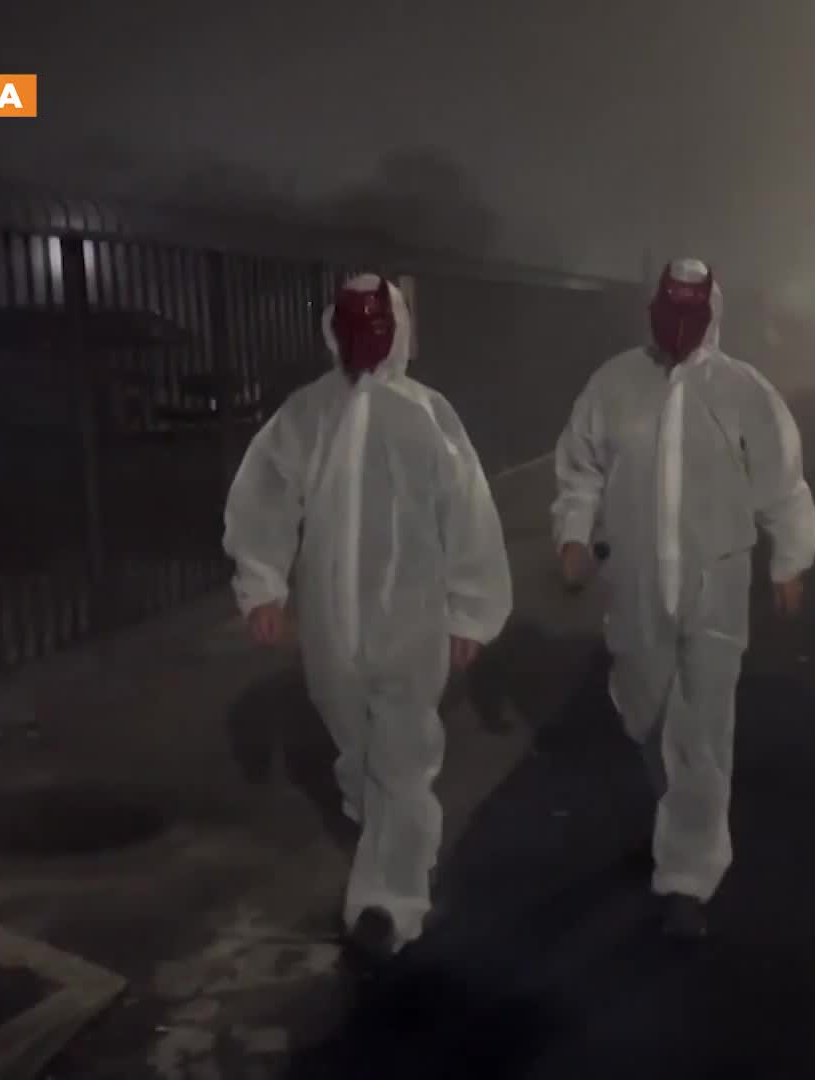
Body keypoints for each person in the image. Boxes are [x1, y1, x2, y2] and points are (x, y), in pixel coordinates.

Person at [223, 273, 513, 970]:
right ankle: (390, 829)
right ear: (335, 330)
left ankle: (388, 900)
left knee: (404, 758)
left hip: (412, 618)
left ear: (398, 331)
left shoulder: (430, 416)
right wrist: (262, 587)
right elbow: (264, 498)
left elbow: (469, 515)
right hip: (330, 628)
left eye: (376, 328)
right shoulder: (306, 414)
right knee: (358, 750)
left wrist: (471, 611)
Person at [551, 257, 815, 940]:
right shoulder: (614, 384)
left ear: (711, 315)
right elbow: (581, 468)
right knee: (644, 711)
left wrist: (789, 558)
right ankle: (679, 819)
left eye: (689, 314)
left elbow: (782, 480)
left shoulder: (743, 390)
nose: (677, 326)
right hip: (635, 581)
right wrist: (573, 535)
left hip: (715, 584)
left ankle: (688, 878)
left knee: (701, 728)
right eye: (668, 311)